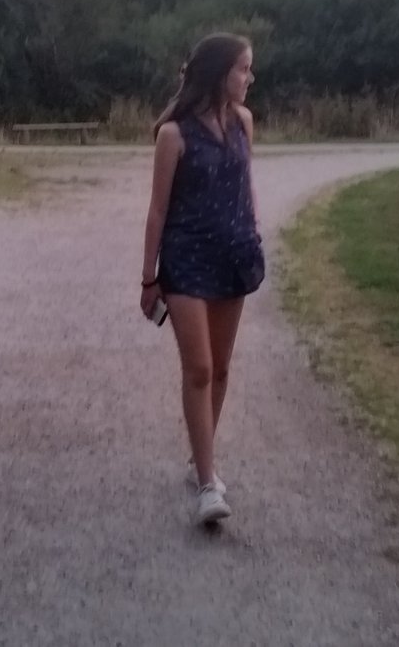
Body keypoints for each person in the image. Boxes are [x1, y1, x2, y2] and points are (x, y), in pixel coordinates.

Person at [140, 33, 264, 526]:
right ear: (218, 73)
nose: (250, 78)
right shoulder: (173, 134)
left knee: (223, 369)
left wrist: (253, 232)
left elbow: (246, 186)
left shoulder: (244, 122)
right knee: (199, 368)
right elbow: (157, 209)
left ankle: (200, 459)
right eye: (243, 69)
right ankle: (209, 485)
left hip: (234, 256)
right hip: (186, 261)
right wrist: (148, 278)